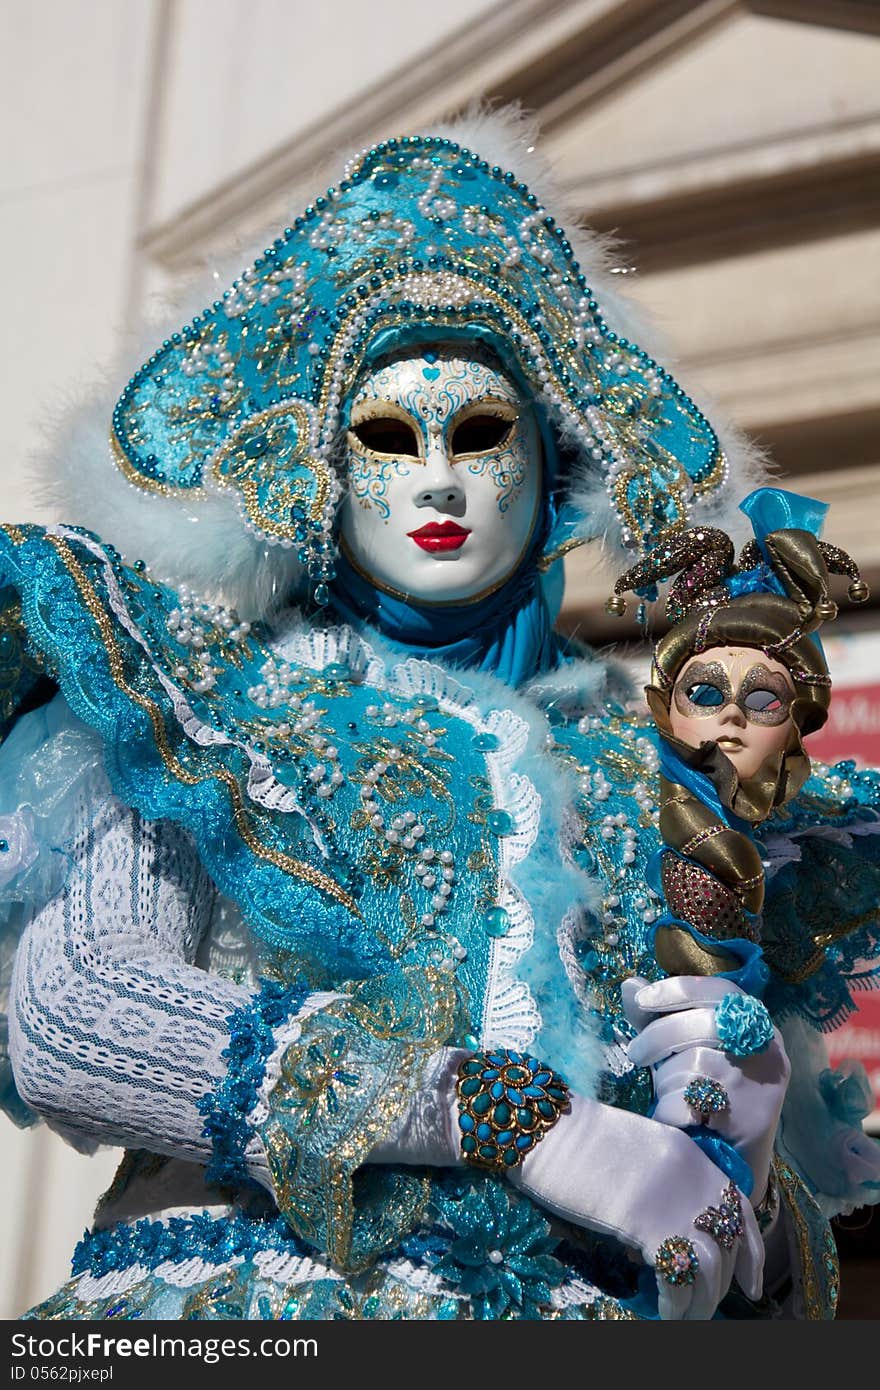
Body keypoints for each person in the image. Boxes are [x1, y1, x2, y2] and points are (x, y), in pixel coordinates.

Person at [2, 110, 879, 1322]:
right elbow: (80, 1007)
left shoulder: (662, 778)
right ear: (320, 467)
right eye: (386, 438)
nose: (436, 479)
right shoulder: (202, 699)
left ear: (554, 480)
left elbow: (767, 1290)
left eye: (480, 434)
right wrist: (506, 1116)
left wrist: (748, 1193)